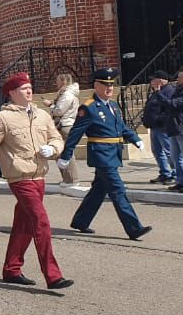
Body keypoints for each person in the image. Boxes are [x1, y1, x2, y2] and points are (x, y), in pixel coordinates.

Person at [0, 73, 73, 289]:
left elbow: (55, 137)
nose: (29, 91)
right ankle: (53, 275)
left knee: (24, 225)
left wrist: (53, 148)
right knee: (41, 223)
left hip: (39, 177)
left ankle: (11, 268)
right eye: (23, 88)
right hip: (20, 178)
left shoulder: (42, 115)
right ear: (12, 93)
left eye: (30, 87)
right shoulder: (3, 118)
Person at [57, 67, 152, 240]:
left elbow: (121, 127)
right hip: (101, 156)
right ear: (96, 86)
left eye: (111, 84)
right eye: (105, 84)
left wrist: (135, 138)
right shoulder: (88, 108)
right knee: (118, 190)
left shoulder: (113, 106)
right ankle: (133, 228)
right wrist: (65, 155)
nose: (110, 88)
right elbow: (75, 134)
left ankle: (80, 221)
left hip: (113, 154)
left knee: (98, 191)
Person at [44, 72, 80, 185]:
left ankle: (71, 179)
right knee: (62, 152)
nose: (56, 83)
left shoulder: (67, 94)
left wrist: (50, 105)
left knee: (65, 152)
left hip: (65, 125)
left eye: (58, 80)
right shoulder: (65, 94)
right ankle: (68, 179)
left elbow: (59, 111)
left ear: (63, 81)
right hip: (65, 124)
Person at [141, 70, 175, 185]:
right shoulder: (157, 92)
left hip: (163, 127)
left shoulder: (169, 91)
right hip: (154, 127)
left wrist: (160, 120)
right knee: (157, 151)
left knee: (169, 151)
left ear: (159, 80)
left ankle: (175, 174)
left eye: (153, 79)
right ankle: (164, 173)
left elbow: (169, 108)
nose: (150, 82)